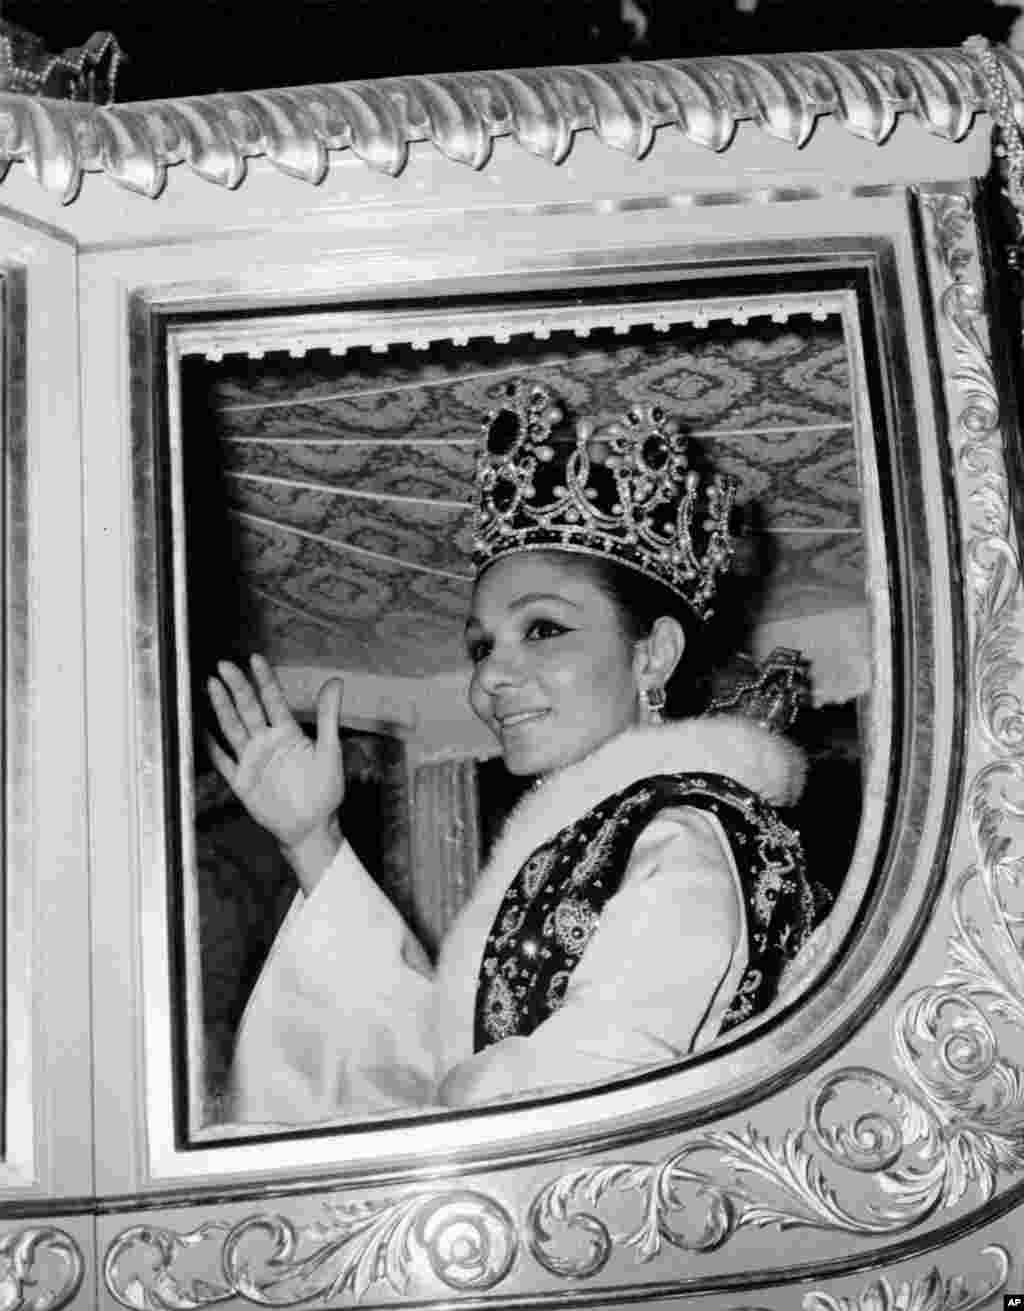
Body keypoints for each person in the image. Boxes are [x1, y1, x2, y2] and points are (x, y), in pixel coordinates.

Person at [207, 381, 828, 1125]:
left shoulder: (693, 833)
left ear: (654, 653)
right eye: (481, 646)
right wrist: (314, 841)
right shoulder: (589, 842)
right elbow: (429, 1072)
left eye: (541, 630)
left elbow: (582, 1098)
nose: (488, 678)